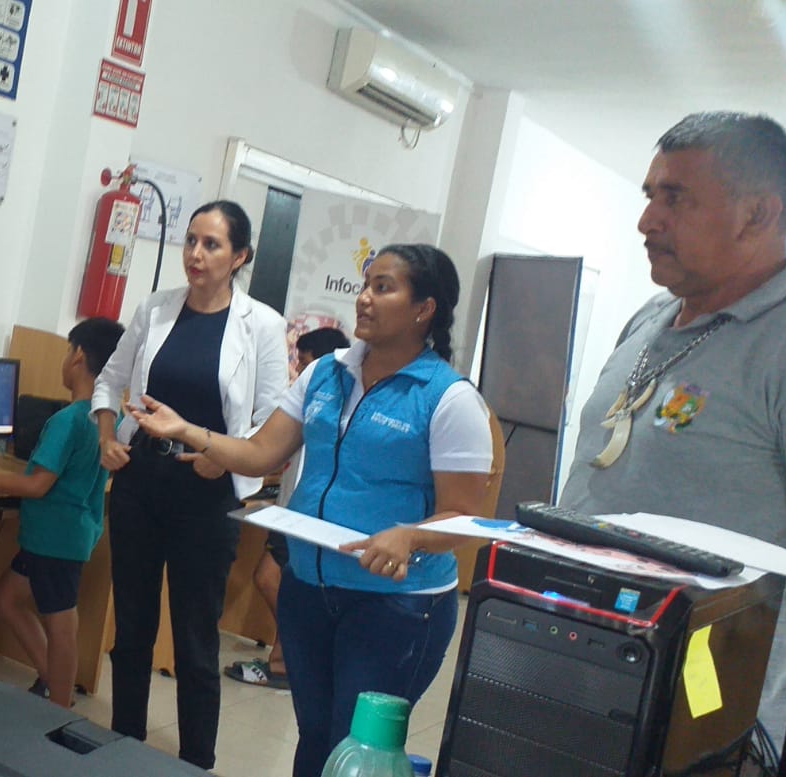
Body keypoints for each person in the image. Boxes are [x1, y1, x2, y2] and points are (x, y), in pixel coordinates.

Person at [131, 244, 494, 776]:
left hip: (394, 606)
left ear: (425, 309)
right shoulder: (325, 372)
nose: (364, 298)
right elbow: (262, 452)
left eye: (383, 288)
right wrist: (188, 430)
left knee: (357, 749)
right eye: (365, 285)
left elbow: (464, 517)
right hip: (308, 590)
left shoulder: (449, 398)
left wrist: (410, 536)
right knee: (315, 736)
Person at [558, 111, 786, 751]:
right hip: (575, 662)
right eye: (649, 195)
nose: (647, 220)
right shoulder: (650, 316)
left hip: (704, 711)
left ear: (757, 215)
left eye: (676, 198)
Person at [91, 200, 290, 769]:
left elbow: (272, 418)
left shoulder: (263, 325)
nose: (196, 255)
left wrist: (222, 459)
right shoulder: (156, 308)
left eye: (212, 245)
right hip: (140, 479)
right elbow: (110, 378)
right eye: (191, 241)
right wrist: (106, 435)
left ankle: (195, 760)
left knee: (196, 638)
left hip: (206, 492)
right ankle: (124, 746)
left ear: (240, 256)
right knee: (132, 626)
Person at [0, 317, 125, 709]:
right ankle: (51, 678)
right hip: (70, 531)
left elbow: (37, 485)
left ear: (77, 356)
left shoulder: (68, 420)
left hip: (56, 537)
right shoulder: (111, 418)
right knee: (6, 596)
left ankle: (60, 707)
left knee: (61, 624)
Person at [226, 325, 351, 690]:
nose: (297, 371)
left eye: (305, 362)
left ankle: (290, 659)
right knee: (282, 582)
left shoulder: (330, 400)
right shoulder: (310, 399)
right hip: (289, 510)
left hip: (301, 515)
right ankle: (288, 658)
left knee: (269, 578)